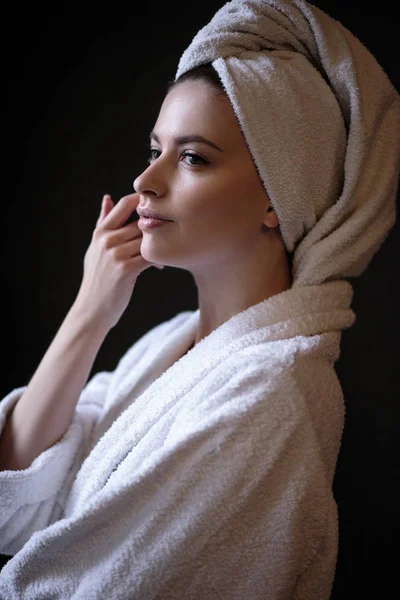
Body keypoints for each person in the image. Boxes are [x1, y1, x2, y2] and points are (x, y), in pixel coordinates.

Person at [0, 1, 399, 598]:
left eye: (191, 158)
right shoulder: (174, 345)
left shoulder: (273, 395)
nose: (146, 181)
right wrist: (89, 311)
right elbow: (18, 509)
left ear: (279, 197)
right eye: (155, 148)